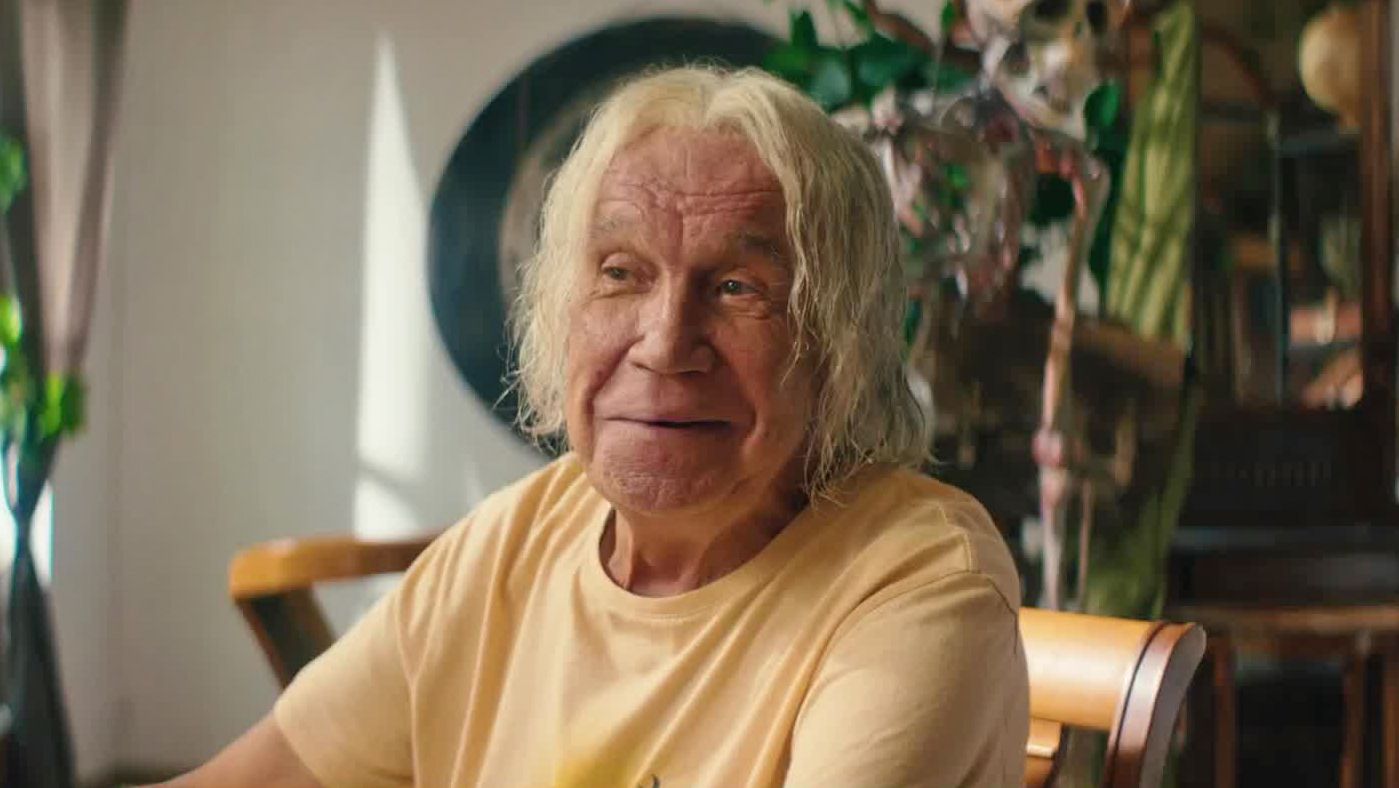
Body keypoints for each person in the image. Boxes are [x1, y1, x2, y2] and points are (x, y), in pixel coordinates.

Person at [163, 66, 1028, 788]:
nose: (664, 344)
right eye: (620, 273)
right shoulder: (513, 542)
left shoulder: (917, 581)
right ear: (559, 313)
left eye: (737, 288)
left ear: (840, 342)